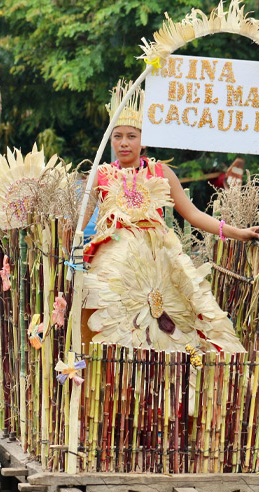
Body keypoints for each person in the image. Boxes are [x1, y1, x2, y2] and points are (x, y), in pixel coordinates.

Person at [82, 80, 259, 353]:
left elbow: (194, 214)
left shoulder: (162, 173)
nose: (124, 143)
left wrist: (239, 232)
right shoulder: (100, 175)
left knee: (188, 321)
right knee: (116, 331)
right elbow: (77, 225)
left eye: (132, 136)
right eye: (118, 136)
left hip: (162, 261)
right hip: (115, 265)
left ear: (144, 141)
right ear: (110, 140)